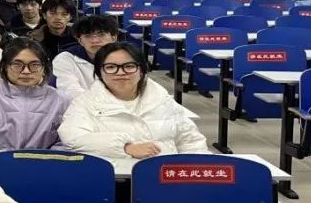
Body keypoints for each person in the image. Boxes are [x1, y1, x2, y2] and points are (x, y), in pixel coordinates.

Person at [59, 42, 208, 158]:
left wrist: (195, 170)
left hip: (163, 175)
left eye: (129, 66)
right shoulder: (85, 102)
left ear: (141, 70)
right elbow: (73, 138)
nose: (120, 73)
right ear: (100, 72)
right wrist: (125, 147)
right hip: (116, 177)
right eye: (110, 67)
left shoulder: (162, 100)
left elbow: (191, 141)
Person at [0, 38, 70, 149]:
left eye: (34, 65)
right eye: (17, 64)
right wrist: (5, 159)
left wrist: (43, 158)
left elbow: (68, 142)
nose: (26, 71)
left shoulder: (63, 102)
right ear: (5, 66)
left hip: (49, 160)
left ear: (44, 67)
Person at [51, 14, 118, 99]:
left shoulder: (127, 58)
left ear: (114, 38)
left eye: (101, 34)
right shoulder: (65, 59)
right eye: (88, 36)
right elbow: (70, 92)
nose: (95, 40)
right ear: (80, 41)